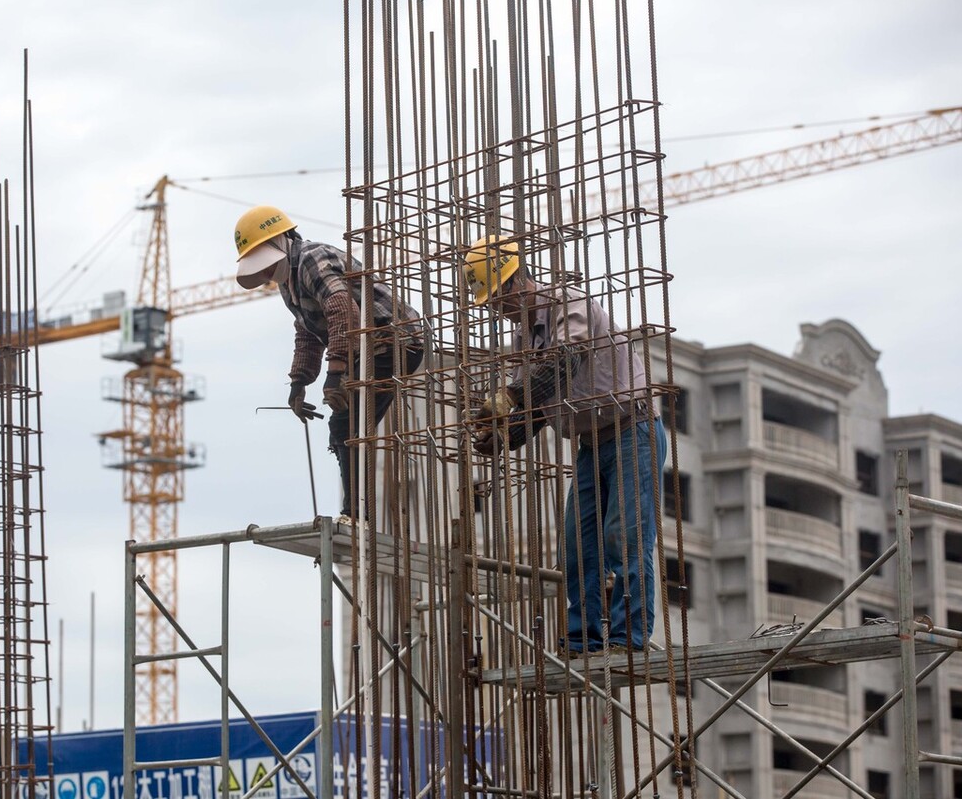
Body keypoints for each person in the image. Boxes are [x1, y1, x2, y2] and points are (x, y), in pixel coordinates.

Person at [466, 235, 666, 654]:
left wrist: (509, 398)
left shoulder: (567, 303)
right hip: (591, 444)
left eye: (498, 300)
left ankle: (628, 637)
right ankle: (585, 637)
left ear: (516, 281)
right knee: (578, 543)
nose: (498, 312)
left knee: (624, 535)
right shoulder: (525, 340)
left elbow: (565, 360)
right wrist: (505, 436)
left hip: (633, 430)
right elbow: (539, 401)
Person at [234, 205, 424, 522]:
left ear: (283, 241)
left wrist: (335, 372)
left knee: (345, 423)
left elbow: (341, 310)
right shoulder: (289, 282)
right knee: (346, 424)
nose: (265, 272)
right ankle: (356, 512)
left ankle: (356, 514)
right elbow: (308, 332)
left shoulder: (310, 258)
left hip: (394, 341)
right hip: (367, 348)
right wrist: (299, 382)